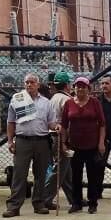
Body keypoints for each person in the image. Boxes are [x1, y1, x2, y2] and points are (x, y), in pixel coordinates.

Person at [2, 73, 53, 217]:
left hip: (42, 140)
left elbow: (50, 122)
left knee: (41, 174)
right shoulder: (18, 99)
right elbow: (11, 122)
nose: (29, 85)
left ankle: (39, 203)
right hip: (23, 140)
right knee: (19, 174)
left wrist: (56, 126)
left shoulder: (46, 102)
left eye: (32, 82)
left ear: (38, 84)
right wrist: (10, 141)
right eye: (26, 82)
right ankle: (14, 206)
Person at [61, 77, 106, 214]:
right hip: (75, 145)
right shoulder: (68, 104)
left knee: (93, 175)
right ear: (74, 88)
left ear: (88, 89)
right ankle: (76, 202)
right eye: (78, 86)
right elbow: (64, 125)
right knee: (76, 176)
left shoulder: (95, 103)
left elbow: (102, 124)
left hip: (92, 145)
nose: (80, 89)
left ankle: (93, 202)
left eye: (83, 87)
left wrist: (101, 142)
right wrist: (63, 143)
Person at [45, 71, 75, 209]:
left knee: (67, 171)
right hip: (61, 137)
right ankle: (45, 198)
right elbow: (67, 122)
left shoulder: (54, 98)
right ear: (67, 85)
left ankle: (74, 198)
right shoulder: (66, 100)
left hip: (53, 136)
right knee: (60, 170)